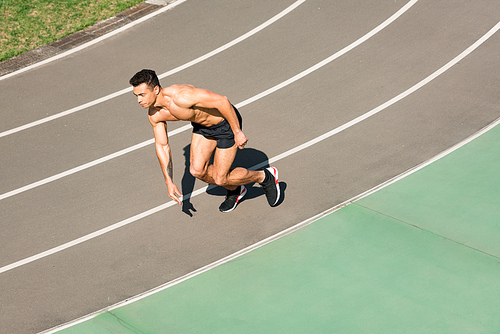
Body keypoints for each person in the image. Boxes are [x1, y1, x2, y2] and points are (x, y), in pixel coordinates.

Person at [129, 69, 280, 212]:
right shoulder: (155, 114)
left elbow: (222, 101)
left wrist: (237, 131)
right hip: (202, 127)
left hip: (225, 124)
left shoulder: (182, 96)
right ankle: (236, 189)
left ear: (155, 90)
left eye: (142, 94)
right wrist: (169, 182)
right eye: (136, 95)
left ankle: (265, 176)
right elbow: (162, 146)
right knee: (196, 170)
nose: (138, 100)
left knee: (221, 179)